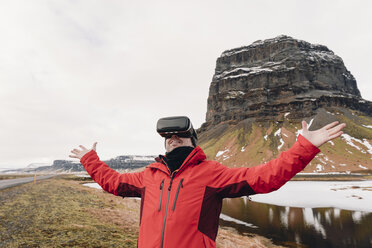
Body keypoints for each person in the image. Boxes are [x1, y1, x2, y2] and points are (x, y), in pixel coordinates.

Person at [69, 116, 345, 248]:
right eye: (168, 136)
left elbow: (265, 177)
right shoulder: (148, 176)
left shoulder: (211, 173)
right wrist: (90, 159)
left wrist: (304, 147)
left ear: (192, 140)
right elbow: (112, 182)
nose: (173, 138)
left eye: (180, 134)